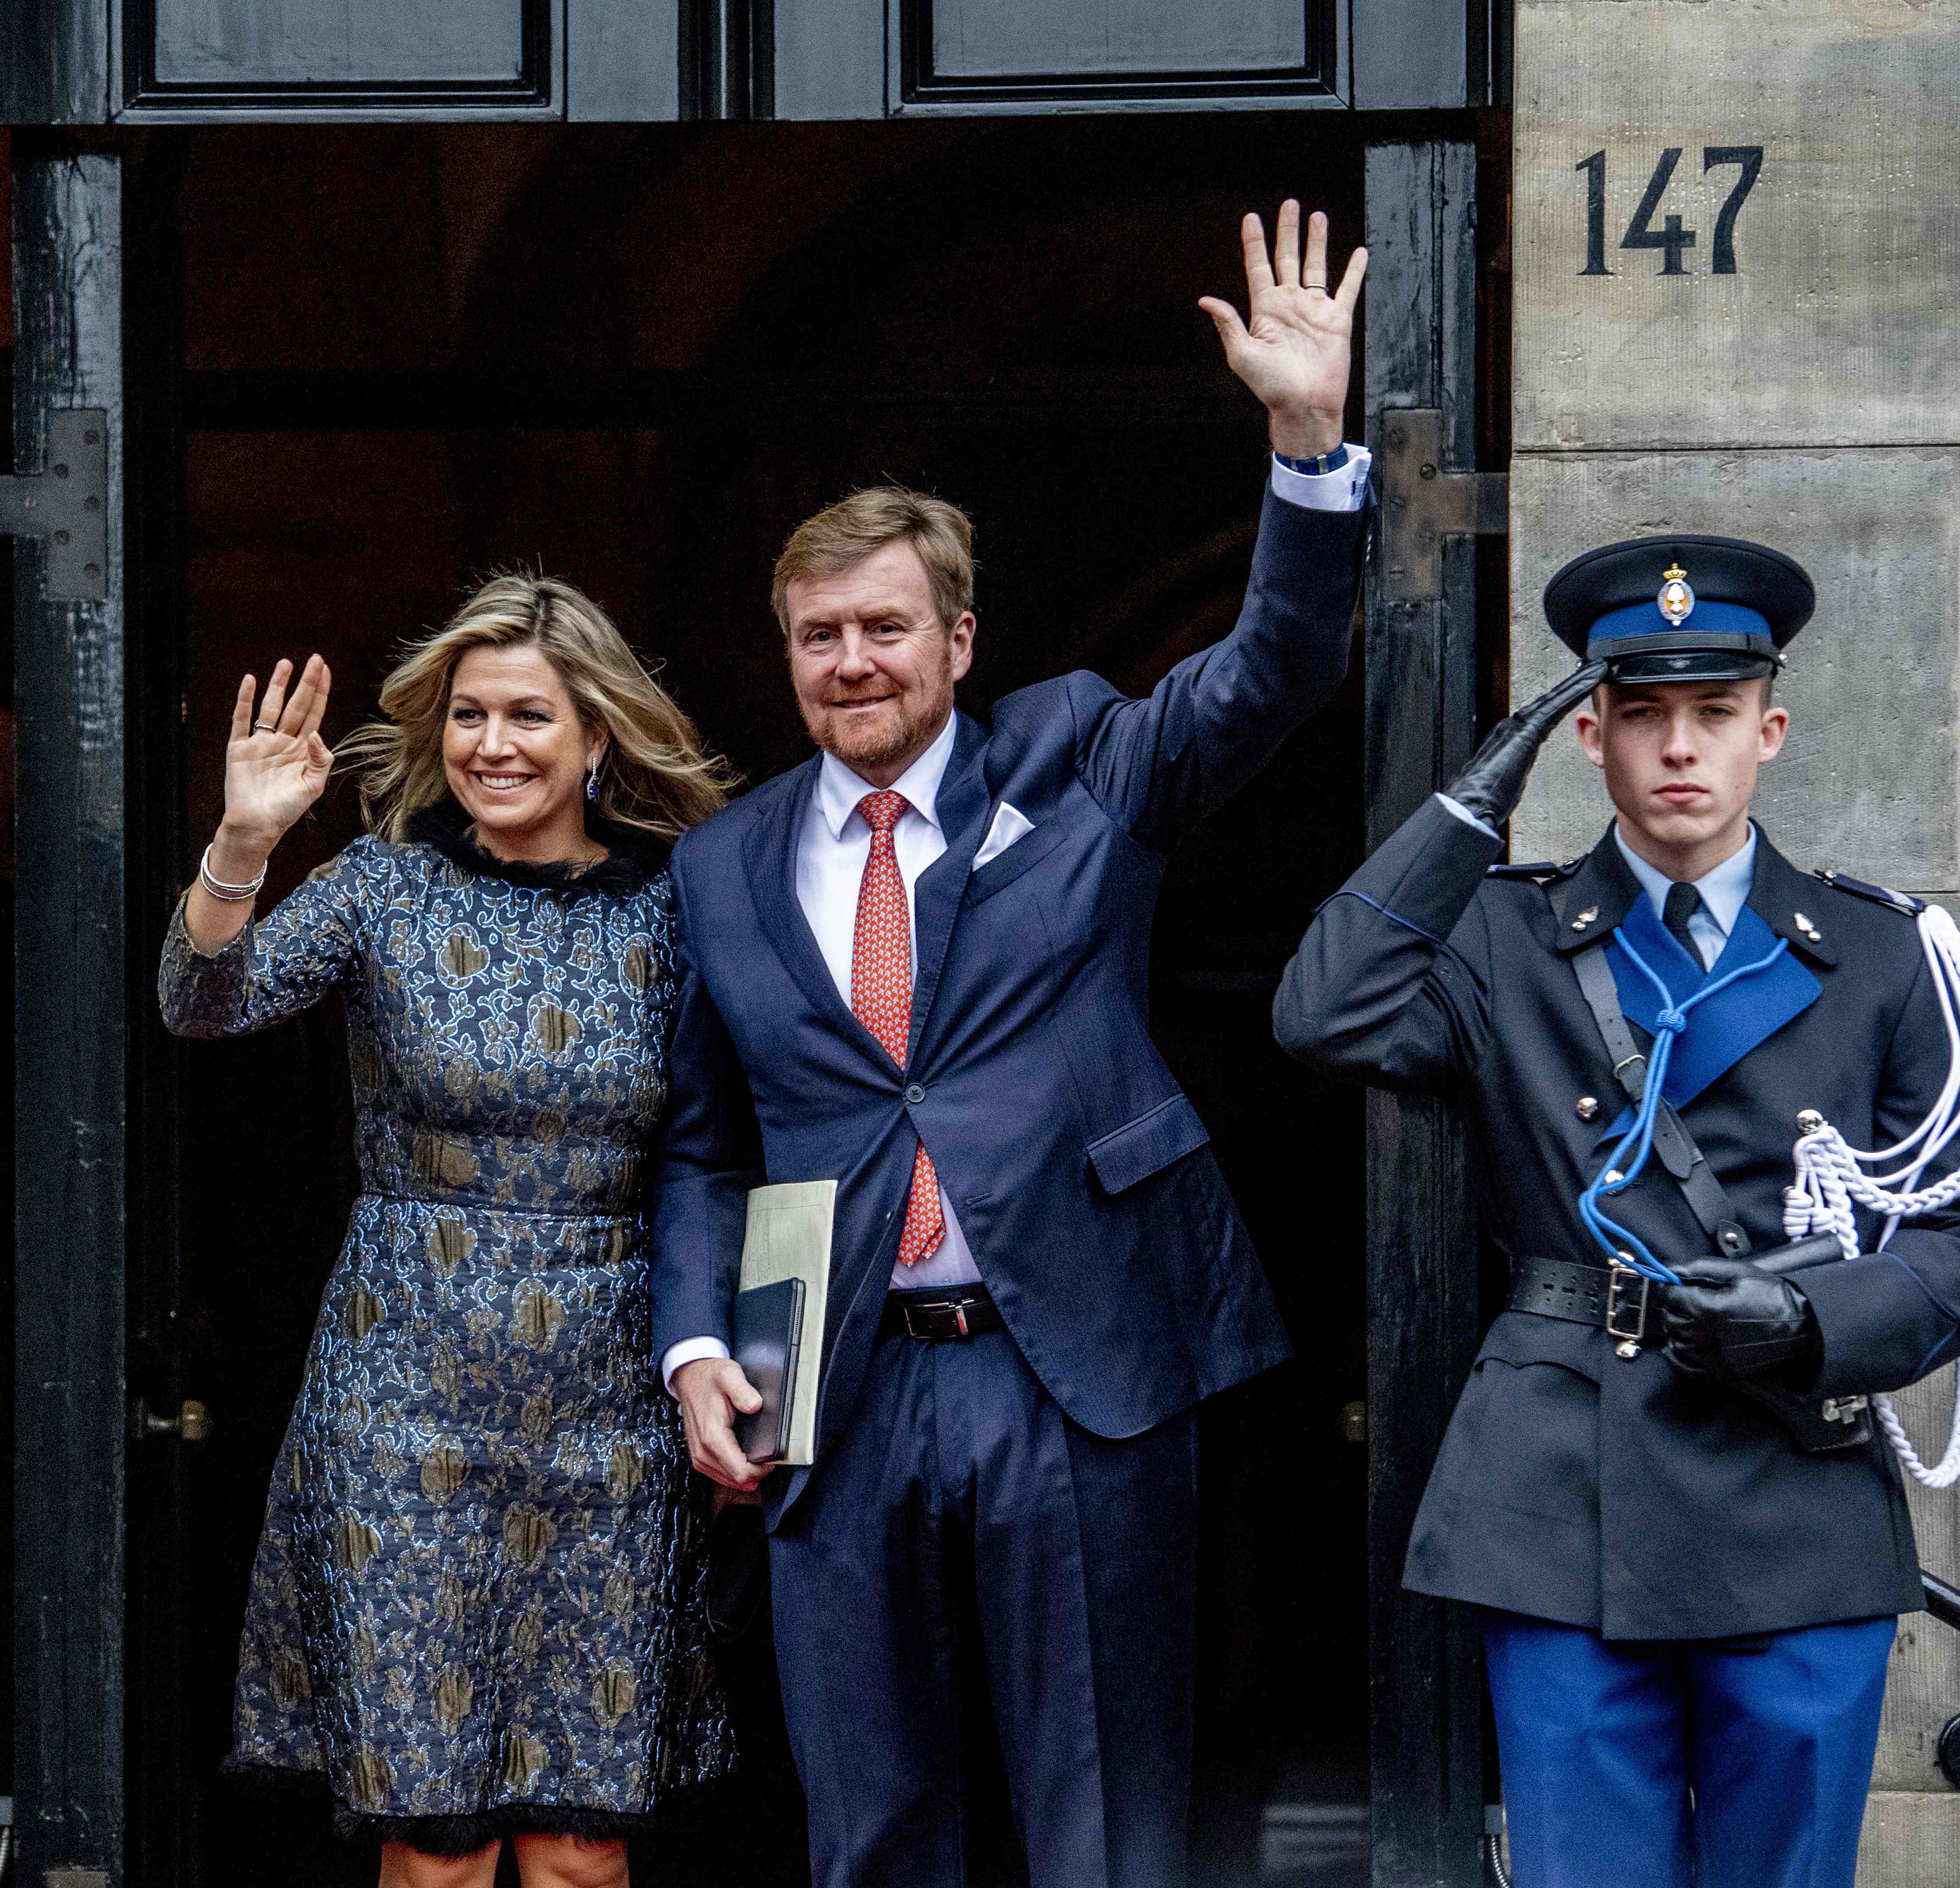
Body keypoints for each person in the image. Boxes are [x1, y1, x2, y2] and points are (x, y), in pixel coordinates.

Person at [653, 202, 1372, 1888]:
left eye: (885, 628)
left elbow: (1272, 668)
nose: (851, 663)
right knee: (872, 1817)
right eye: (819, 637)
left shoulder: (1078, 760)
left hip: (1079, 1360)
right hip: (836, 1377)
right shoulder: (721, 863)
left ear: (957, 643)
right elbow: (702, 1141)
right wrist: (696, 1345)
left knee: (1104, 1818)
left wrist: (1304, 438)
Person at [1272, 535, 1960, 1888]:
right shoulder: (1501, 938)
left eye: (1713, 715)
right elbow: (1321, 1011)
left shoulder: (1880, 952)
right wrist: (1468, 801)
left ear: (1770, 732)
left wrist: (1813, 1315)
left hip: (1791, 1493)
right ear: (1589, 739)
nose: (1677, 748)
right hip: (1565, 1492)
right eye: (1637, 715)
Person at [159, 576, 739, 1888]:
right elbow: (202, 1003)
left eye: (528, 715)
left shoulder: (683, 907)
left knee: (585, 1844)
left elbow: (750, 1122)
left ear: (597, 737)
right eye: (468, 715)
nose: (492, 744)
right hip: (402, 1393)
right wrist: (242, 846)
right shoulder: (384, 890)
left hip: (610, 1407)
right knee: (436, 1843)